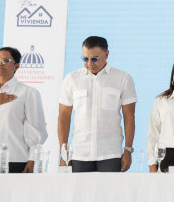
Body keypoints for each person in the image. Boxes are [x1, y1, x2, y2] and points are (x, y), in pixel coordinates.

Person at [57, 35, 137, 172]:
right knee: (79, 187)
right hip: (79, 153)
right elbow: (63, 118)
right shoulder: (71, 79)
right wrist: (63, 152)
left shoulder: (123, 78)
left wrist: (128, 150)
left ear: (106, 54)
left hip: (111, 153)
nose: (90, 63)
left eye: (94, 58)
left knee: (110, 187)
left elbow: (129, 117)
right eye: (85, 59)